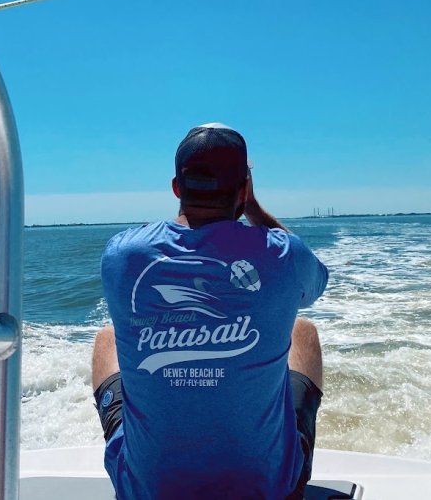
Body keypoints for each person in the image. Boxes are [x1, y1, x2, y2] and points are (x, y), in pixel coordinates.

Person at [92, 123, 329, 499]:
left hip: (147, 491)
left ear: (175, 188)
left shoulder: (120, 254)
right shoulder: (284, 255)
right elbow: (312, 285)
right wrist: (252, 208)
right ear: (244, 189)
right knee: (303, 331)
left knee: (106, 340)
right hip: (268, 490)